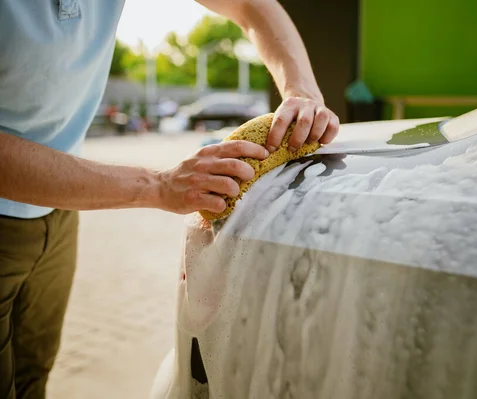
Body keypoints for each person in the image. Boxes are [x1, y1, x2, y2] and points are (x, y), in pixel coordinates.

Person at [0, 1, 339, 397]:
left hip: (58, 211)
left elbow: (249, 4)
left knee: (30, 377)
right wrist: (157, 186)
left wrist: (302, 91)